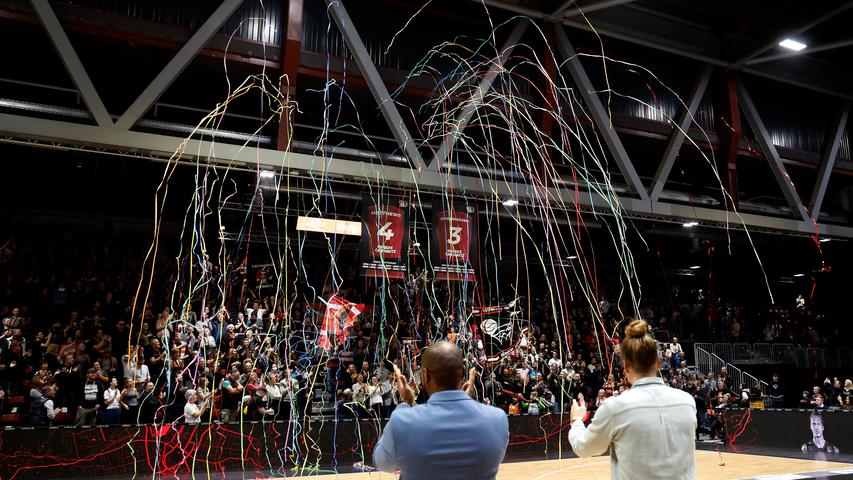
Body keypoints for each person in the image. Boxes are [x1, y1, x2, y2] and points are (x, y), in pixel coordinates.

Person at [569, 319, 696, 480]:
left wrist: (577, 420)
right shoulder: (687, 402)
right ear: (658, 363)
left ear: (626, 367)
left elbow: (584, 448)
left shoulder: (615, 407)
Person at [373, 341, 508, 480]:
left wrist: (405, 403)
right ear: (463, 372)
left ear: (425, 376)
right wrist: (464, 402)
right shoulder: (498, 418)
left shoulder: (402, 420)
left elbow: (383, 463)